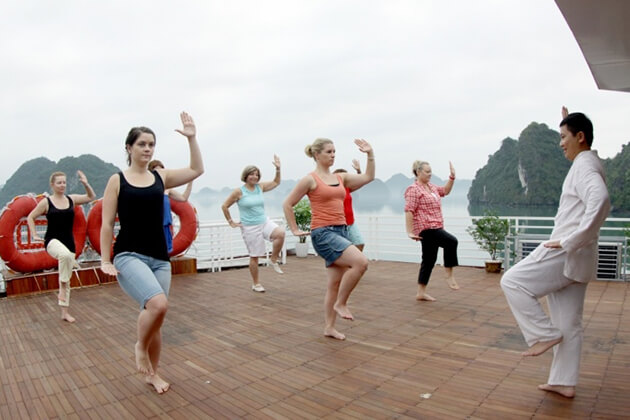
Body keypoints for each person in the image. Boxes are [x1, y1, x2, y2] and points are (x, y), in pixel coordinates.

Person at [500, 107, 610, 398]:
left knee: (512, 281)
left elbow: (601, 200)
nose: (560, 143)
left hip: (565, 250)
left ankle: (542, 335)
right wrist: (568, 117)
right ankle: (563, 381)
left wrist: (570, 240)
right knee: (569, 324)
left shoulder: (585, 166)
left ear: (581, 137)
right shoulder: (589, 161)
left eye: (563, 137)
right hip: (580, 259)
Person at [100, 112, 204, 394]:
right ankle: (139, 346)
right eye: (142, 144)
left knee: (156, 318)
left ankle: (153, 374)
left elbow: (196, 169)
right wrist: (105, 260)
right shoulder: (117, 180)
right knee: (158, 305)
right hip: (128, 255)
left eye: (151, 145)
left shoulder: (160, 177)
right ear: (129, 148)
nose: (147, 149)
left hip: (160, 258)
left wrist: (192, 138)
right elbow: (107, 223)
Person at [283, 138, 374, 340]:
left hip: (341, 231)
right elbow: (288, 204)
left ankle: (329, 327)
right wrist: (295, 229)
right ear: (317, 155)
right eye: (328, 151)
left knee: (334, 283)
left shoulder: (341, 178)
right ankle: (341, 303)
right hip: (323, 233)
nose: (333, 155)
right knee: (361, 262)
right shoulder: (310, 180)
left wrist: (369, 154)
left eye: (334, 151)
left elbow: (368, 177)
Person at [27, 170, 96, 323]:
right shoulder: (47, 202)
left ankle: (64, 312)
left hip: (69, 242)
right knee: (64, 259)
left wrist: (85, 184)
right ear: (52, 185)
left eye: (64, 182)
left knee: (67, 272)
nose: (62, 185)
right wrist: (34, 235)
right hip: (52, 241)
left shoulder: (71, 199)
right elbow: (31, 217)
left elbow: (91, 197)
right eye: (59, 182)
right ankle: (62, 288)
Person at [221, 156, 286, 292]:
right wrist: (231, 222)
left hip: (264, 221)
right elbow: (225, 206)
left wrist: (278, 169)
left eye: (257, 174)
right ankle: (256, 283)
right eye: (252, 174)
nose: (255, 177)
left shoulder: (260, 187)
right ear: (246, 176)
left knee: (280, 233)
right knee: (255, 256)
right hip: (249, 227)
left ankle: (273, 259)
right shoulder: (239, 191)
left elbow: (276, 182)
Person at [404, 160, 459, 302]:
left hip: (437, 226)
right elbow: (409, 210)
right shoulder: (413, 189)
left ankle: (420, 292)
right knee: (451, 241)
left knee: (428, 260)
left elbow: (445, 191)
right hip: (426, 228)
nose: (430, 174)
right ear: (418, 172)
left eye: (430, 171)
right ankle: (449, 273)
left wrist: (452, 177)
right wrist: (410, 231)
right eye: (427, 172)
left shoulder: (431, 187)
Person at [148, 159, 193, 254]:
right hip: (152, 229)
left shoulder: (167, 189)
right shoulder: (147, 189)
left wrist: (190, 181)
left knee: (165, 256)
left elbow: (183, 198)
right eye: (156, 171)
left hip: (165, 228)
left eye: (162, 171)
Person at [333, 158, 365, 251]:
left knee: (359, 243)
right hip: (337, 224)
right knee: (340, 249)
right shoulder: (331, 190)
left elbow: (361, 181)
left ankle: (353, 263)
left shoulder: (347, 188)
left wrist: (358, 171)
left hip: (350, 223)